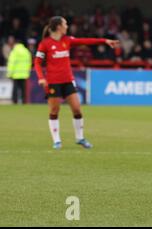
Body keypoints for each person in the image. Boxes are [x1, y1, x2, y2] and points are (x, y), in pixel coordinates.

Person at [34, 16, 119, 149]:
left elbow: (86, 41)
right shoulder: (45, 44)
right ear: (58, 27)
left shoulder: (67, 40)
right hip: (53, 82)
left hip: (68, 80)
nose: (67, 26)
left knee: (77, 109)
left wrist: (104, 41)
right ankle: (57, 141)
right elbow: (37, 63)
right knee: (54, 111)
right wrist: (41, 77)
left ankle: (80, 138)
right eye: (65, 24)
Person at [6, 38, 32, 104]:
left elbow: (11, 63)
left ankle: (15, 101)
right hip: (24, 74)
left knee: (15, 89)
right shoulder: (26, 51)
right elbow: (29, 63)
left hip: (15, 74)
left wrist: (9, 74)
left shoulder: (14, 52)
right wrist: (28, 72)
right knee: (23, 89)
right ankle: (24, 102)